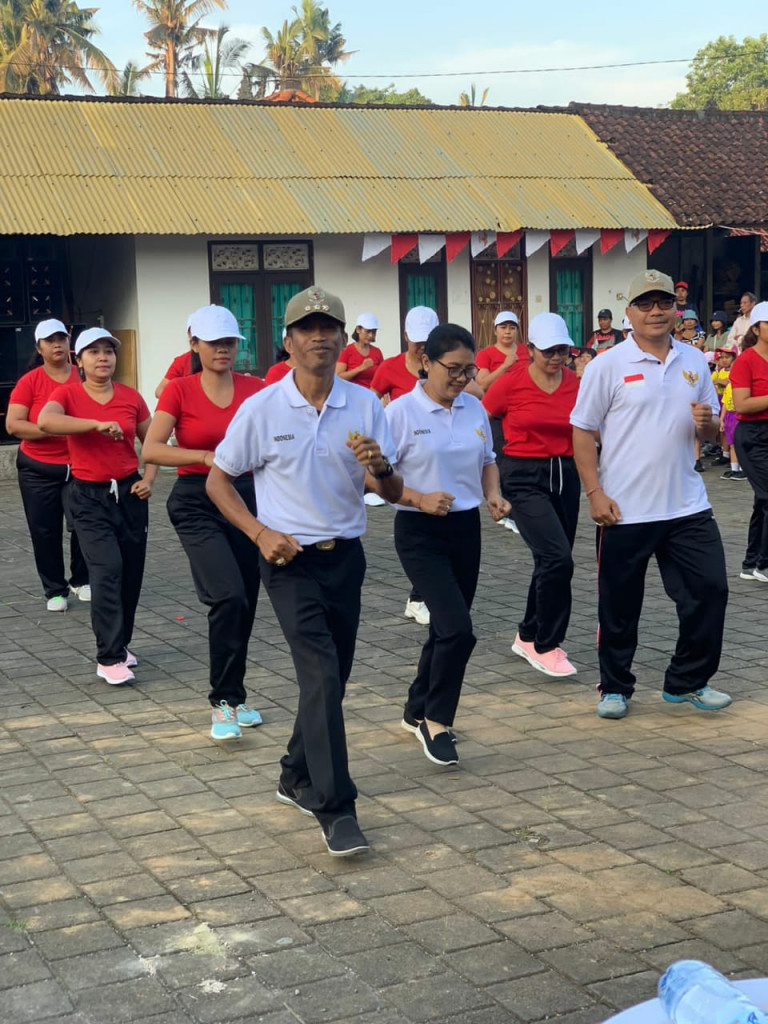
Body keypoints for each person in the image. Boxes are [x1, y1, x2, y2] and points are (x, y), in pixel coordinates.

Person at [206, 285, 402, 858]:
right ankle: (335, 807)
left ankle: (294, 772)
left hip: (346, 558)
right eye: (306, 329)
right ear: (288, 342)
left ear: (344, 339)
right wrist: (258, 533)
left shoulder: (364, 404)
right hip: (287, 561)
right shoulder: (263, 408)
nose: (319, 337)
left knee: (332, 679)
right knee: (320, 674)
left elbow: (390, 490)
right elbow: (219, 481)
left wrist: (381, 467)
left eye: (329, 327)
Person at [571, 269, 731, 720]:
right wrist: (594, 492)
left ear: (675, 309)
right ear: (629, 312)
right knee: (619, 606)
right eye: (645, 303)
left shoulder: (693, 360)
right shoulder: (607, 365)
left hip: (687, 503)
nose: (656, 311)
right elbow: (581, 431)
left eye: (664, 302)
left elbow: (713, 431)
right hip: (624, 508)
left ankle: (687, 680)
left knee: (710, 591)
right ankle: (614, 686)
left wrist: (708, 426)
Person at [384, 324, 510, 766]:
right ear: (425, 362)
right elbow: (374, 479)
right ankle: (436, 720)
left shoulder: (474, 408)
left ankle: (415, 707)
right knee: (458, 629)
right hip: (419, 531)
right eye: (453, 369)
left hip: (466, 529)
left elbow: (488, 461)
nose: (461, 378)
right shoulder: (400, 413)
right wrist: (418, 498)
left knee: (444, 627)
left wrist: (493, 495)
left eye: (468, 370)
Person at [141, 305, 265, 741]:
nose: (222, 350)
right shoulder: (179, 390)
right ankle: (223, 702)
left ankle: (236, 695)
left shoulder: (256, 388)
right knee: (228, 596)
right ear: (193, 344)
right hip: (196, 499)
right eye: (213, 342)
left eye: (229, 342)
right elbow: (152, 449)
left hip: (247, 499)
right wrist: (206, 456)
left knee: (245, 601)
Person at [38, 328, 157, 685]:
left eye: (108, 351)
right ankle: (108, 658)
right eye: (93, 352)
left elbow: (153, 442)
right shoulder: (67, 394)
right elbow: (46, 421)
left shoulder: (131, 397)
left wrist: (149, 478)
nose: (103, 357)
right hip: (88, 496)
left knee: (131, 573)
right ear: (78, 360)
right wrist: (94, 425)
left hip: (130, 494)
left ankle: (120, 645)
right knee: (107, 571)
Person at [484, 312, 581, 678]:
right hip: (523, 475)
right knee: (558, 559)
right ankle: (546, 644)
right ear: (530, 350)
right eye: (548, 351)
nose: (556, 358)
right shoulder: (512, 382)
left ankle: (527, 634)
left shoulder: (574, 383)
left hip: (565, 474)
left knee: (550, 558)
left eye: (562, 351)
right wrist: (498, 460)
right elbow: (485, 417)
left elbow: (589, 426)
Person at [6, 318, 89, 612]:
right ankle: (54, 590)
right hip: (38, 469)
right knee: (45, 530)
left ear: (69, 342)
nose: (57, 345)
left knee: (85, 523)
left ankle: (82, 579)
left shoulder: (84, 376)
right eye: (49, 341)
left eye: (61, 339)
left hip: (81, 465)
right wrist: (54, 429)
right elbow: (14, 425)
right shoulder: (30, 381)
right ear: (38, 347)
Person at [372, 305, 440, 625]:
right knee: (418, 526)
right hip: (405, 456)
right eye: (417, 340)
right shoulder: (389, 367)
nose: (422, 345)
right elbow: (372, 400)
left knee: (439, 532)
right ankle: (419, 596)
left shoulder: (444, 365)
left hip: (438, 453)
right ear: (406, 337)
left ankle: (421, 595)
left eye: (428, 339)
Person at [475, 311, 526, 534]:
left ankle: (521, 508)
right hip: (496, 415)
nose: (508, 332)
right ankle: (507, 509)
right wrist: (505, 365)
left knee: (522, 461)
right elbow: (482, 384)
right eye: (503, 327)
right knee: (502, 462)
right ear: (495, 330)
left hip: (522, 414)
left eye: (512, 327)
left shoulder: (525, 352)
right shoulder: (486, 354)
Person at [731, 301, 768, 583]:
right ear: (756, 329)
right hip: (753, 437)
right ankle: (763, 564)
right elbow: (742, 404)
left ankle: (751, 563)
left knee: (762, 500)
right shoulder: (745, 360)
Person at [336, 313, 383, 388]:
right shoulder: (346, 350)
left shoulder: (377, 352)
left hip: (371, 394)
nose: (371, 335)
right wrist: (360, 368)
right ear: (358, 330)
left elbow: (383, 377)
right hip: (351, 393)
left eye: (373, 332)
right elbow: (338, 378)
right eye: (367, 331)